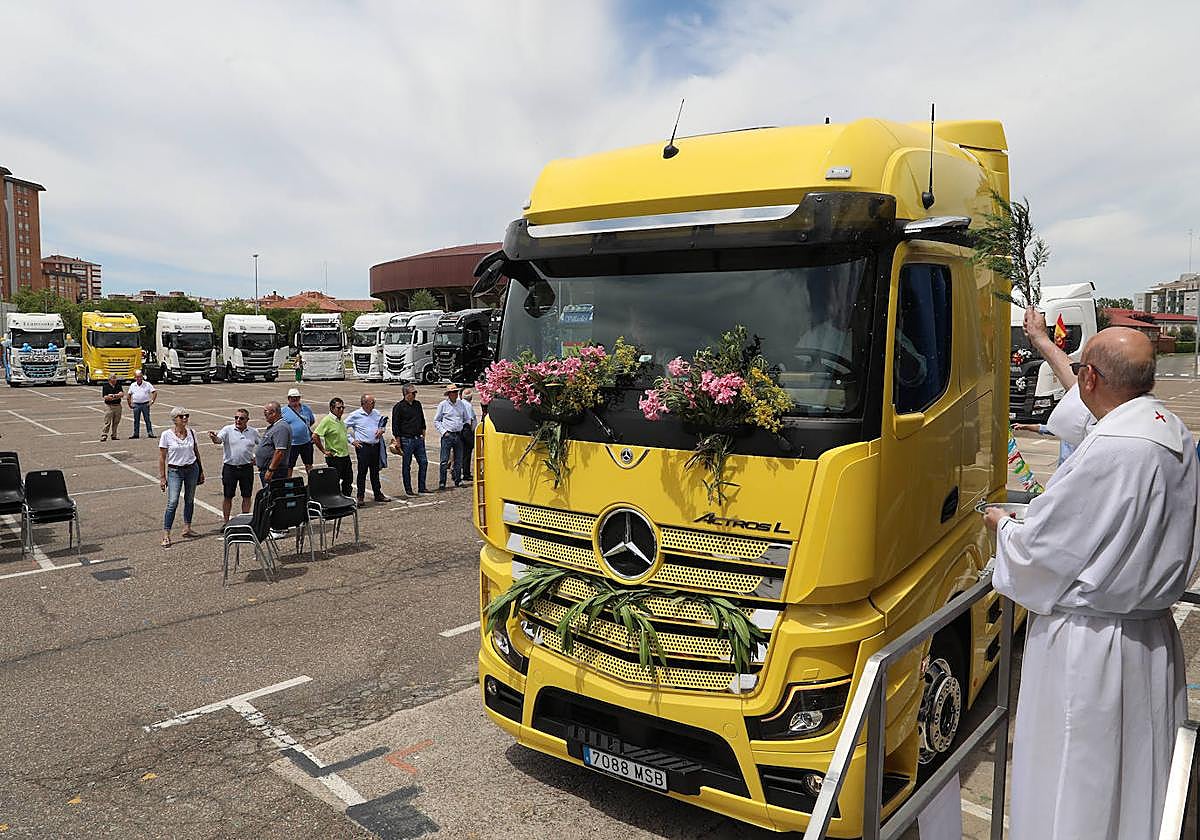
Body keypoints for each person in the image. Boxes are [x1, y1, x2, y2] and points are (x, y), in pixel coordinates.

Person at [983, 327, 1200, 840]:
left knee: (1078, 778)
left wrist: (1003, 526)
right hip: (1150, 639)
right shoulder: (1171, 432)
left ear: (1091, 377)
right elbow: (1089, 413)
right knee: (1139, 775)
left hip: (1089, 646)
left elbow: (1041, 549)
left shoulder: (1112, 452)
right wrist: (1042, 342)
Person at [158, 407, 204, 548]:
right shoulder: (166, 435)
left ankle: (187, 528)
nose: (185, 418)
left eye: (186, 416)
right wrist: (162, 477)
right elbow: (162, 457)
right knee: (172, 502)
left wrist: (201, 470)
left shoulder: (191, 432)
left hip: (191, 469)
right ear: (174, 419)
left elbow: (196, 451)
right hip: (175, 471)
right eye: (181, 416)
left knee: (189, 500)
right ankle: (166, 534)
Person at [208, 408, 258, 523]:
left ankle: (245, 521)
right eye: (236, 417)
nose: (238, 420)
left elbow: (262, 445)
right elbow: (218, 440)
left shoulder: (253, 432)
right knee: (228, 496)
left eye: (241, 418)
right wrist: (213, 437)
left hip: (246, 468)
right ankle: (226, 522)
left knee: (246, 496)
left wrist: (257, 458)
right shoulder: (227, 430)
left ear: (247, 420)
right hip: (230, 468)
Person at [345, 394, 389, 503]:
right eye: (371, 402)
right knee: (362, 472)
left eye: (374, 402)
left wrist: (382, 430)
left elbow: (382, 424)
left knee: (375, 472)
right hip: (363, 447)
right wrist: (352, 440)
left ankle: (377, 494)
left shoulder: (376, 413)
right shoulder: (355, 415)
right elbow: (342, 427)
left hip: (375, 446)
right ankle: (360, 496)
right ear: (364, 403)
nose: (374, 404)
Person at [391, 384, 429, 496]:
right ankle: (408, 489)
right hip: (406, 439)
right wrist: (398, 441)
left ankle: (422, 487)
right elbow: (395, 426)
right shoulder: (399, 407)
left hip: (418, 438)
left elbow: (422, 420)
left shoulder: (417, 404)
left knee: (423, 462)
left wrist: (423, 435)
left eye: (415, 393)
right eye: (413, 393)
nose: (414, 395)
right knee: (406, 465)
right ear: (406, 394)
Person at [313, 397, 354, 496]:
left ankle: (346, 498)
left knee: (348, 480)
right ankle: (335, 500)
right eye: (338, 408)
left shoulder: (340, 420)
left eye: (342, 408)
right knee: (334, 481)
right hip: (335, 457)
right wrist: (324, 451)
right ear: (332, 408)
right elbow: (315, 436)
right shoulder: (327, 420)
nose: (341, 410)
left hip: (345, 455)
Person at [434, 384, 470, 489]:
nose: (455, 394)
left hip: (458, 435)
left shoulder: (461, 404)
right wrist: (444, 432)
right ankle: (442, 482)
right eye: (453, 392)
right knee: (444, 460)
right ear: (449, 394)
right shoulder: (443, 405)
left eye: (456, 392)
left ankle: (458, 480)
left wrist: (463, 427)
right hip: (447, 435)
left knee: (458, 459)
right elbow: (437, 420)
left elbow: (466, 418)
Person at [281, 387, 316, 477]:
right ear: (288, 398)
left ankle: (312, 485)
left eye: (297, 397)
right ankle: (288, 485)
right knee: (289, 466)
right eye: (292, 397)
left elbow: (311, 421)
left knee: (309, 464)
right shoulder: (283, 411)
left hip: (306, 442)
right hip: (291, 444)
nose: (295, 399)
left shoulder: (306, 409)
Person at [255, 401, 290, 487]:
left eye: (266, 412)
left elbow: (279, 451)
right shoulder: (274, 426)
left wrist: (271, 470)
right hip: (269, 470)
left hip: (276, 472)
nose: (264, 415)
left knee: (273, 496)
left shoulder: (281, 428)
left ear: (274, 413)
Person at [127, 369, 157, 439]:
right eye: (137, 377)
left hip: (145, 404)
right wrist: (129, 404)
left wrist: (152, 401)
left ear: (142, 377)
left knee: (147, 419)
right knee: (136, 420)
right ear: (135, 378)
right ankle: (136, 434)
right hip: (136, 405)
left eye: (140, 377)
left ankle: (150, 433)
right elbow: (129, 395)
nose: (139, 378)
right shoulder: (133, 385)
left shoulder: (147, 384)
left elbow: (154, 392)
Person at [460, 388, 478, 482]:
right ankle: (466, 473)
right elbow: (470, 420)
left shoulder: (461, 403)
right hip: (467, 430)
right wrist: (471, 432)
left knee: (463, 452)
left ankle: (462, 472)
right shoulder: (467, 405)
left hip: (463, 430)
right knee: (467, 452)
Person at [100, 372, 123, 441]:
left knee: (116, 422)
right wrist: (116, 396)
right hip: (109, 406)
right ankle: (104, 435)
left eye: (115, 378)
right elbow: (106, 397)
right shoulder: (105, 386)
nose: (115, 379)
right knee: (107, 422)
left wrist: (113, 396)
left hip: (118, 406)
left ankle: (114, 435)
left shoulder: (118, 385)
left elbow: (121, 394)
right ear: (109, 379)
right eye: (113, 378)